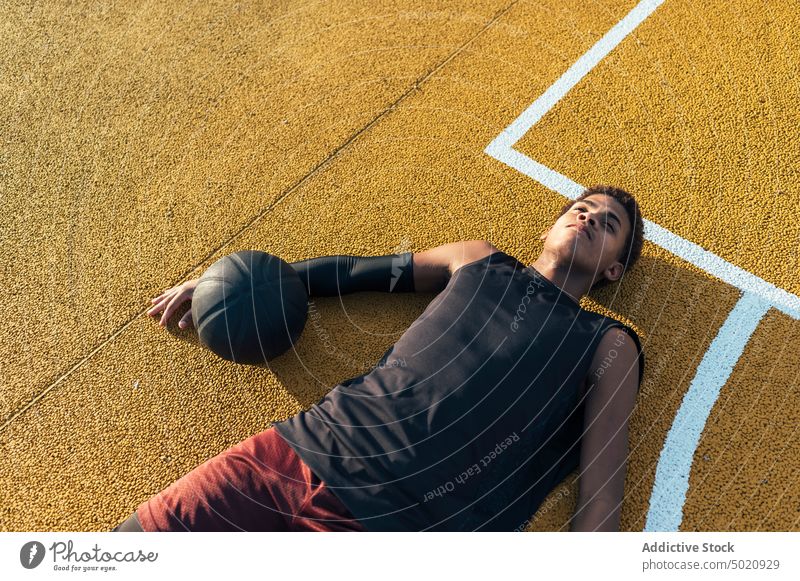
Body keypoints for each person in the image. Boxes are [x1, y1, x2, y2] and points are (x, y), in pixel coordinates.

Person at [113, 184, 645, 532]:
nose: (590, 218)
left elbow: (600, 492)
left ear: (613, 271)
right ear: (549, 228)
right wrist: (226, 288)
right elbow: (355, 274)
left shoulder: (608, 344)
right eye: (582, 208)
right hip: (303, 451)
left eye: (609, 224)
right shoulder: (478, 260)